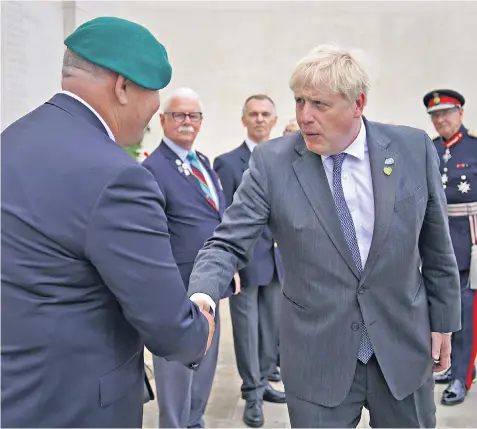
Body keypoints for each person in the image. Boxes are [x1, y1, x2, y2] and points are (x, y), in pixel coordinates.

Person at [188, 44, 461, 428]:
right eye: (299, 101)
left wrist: (444, 322)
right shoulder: (272, 164)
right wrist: (202, 295)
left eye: (319, 104)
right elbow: (228, 241)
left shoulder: (412, 149)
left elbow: (436, 246)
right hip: (317, 358)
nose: (304, 117)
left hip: (402, 348)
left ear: (357, 104)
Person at [1, 17, 214, 428]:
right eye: (152, 100)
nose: (149, 119)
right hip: (77, 404)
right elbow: (169, 326)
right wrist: (199, 322)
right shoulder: (119, 176)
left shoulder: (10, 141)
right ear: (122, 87)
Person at [142, 87, 238, 428]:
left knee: (205, 368)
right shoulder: (153, 169)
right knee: (176, 378)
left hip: (208, 287)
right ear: (163, 120)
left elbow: (216, 219)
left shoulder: (202, 164)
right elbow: (152, 236)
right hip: (176, 292)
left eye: (193, 115)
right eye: (179, 115)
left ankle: (194, 422)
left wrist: (229, 268)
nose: (187, 122)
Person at [213, 94, 285, 428]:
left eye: (265, 114)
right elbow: (224, 216)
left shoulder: (286, 158)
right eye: (253, 114)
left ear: (274, 120)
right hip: (246, 263)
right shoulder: (227, 163)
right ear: (244, 120)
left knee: (271, 330)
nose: (259, 119)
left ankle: (265, 380)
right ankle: (252, 393)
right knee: (246, 332)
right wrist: (231, 264)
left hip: (278, 262)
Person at [423, 89, 477, 405]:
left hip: (471, 241)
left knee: (467, 311)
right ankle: (450, 365)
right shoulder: (429, 149)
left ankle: (462, 375)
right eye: (435, 115)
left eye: (446, 113)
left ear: (460, 114)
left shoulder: (473, 148)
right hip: (439, 241)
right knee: (443, 307)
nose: (441, 119)